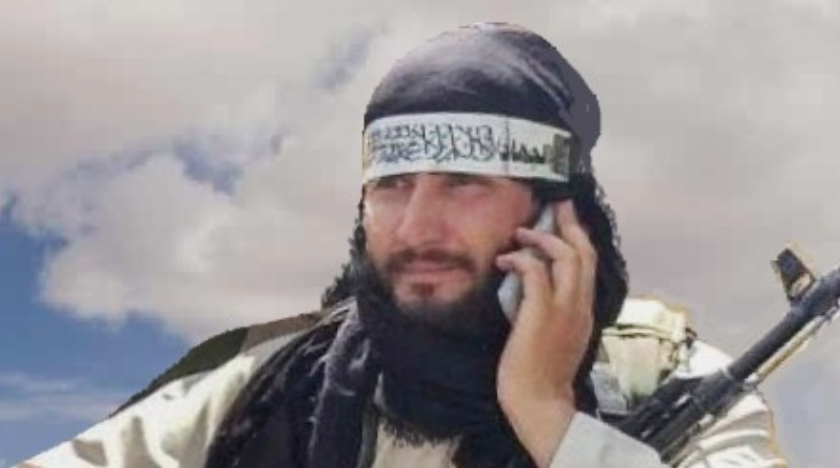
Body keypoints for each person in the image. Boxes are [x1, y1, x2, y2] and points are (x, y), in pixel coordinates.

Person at [12, 23, 788, 468]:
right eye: (392, 185)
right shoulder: (276, 389)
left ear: (559, 215)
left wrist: (549, 415)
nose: (416, 228)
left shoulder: (672, 384)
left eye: (464, 184)